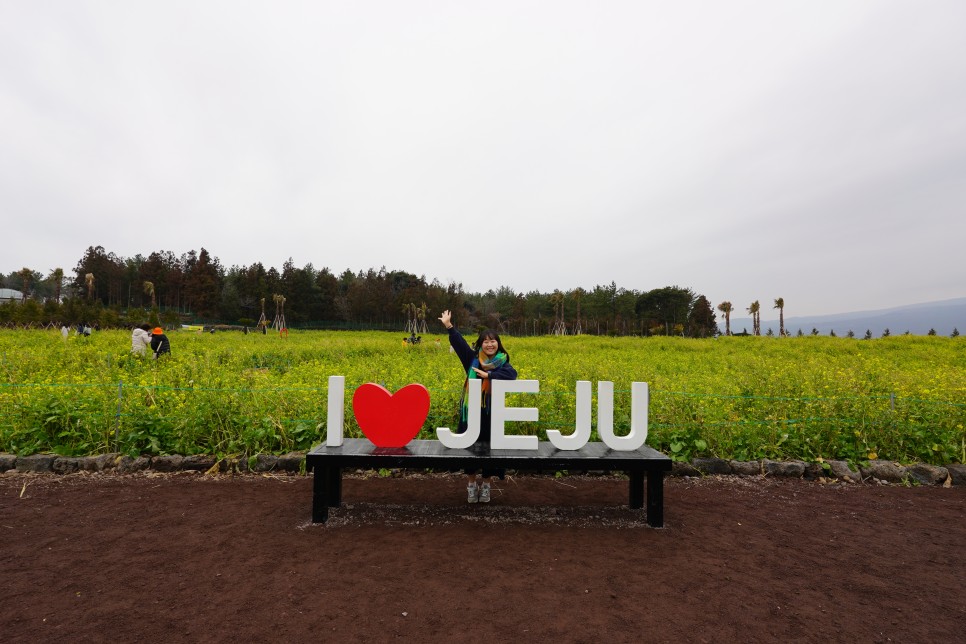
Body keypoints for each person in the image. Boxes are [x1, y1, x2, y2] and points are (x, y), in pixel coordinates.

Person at [439, 310, 517, 504]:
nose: (490, 344)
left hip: (492, 416)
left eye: (493, 341)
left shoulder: (502, 364)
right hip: (472, 415)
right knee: (470, 450)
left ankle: (487, 486)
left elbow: (513, 375)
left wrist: (489, 376)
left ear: (498, 344)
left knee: (491, 451)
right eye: (486, 341)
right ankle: (472, 485)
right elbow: (459, 345)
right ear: (480, 344)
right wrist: (449, 326)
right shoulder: (472, 360)